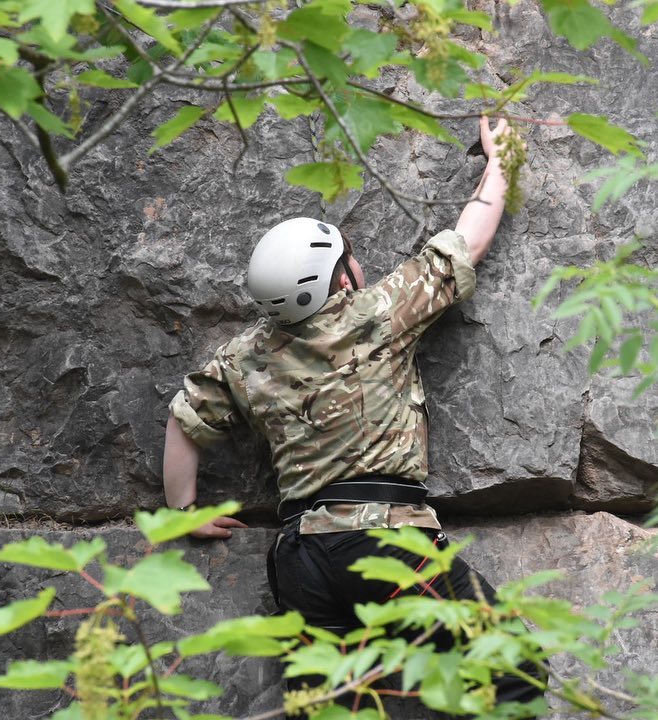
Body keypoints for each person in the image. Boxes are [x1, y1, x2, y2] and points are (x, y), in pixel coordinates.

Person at [162, 117, 543, 713]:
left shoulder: (245, 357)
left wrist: (181, 512)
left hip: (299, 562)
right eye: (350, 258)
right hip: (381, 540)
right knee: (514, 665)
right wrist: (502, 165)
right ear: (338, 277)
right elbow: (466, 244)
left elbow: (185, 421)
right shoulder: (374, 316)